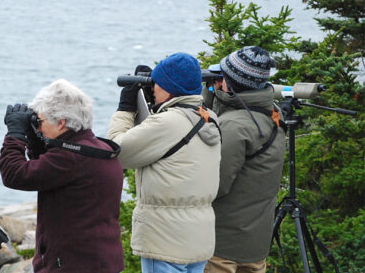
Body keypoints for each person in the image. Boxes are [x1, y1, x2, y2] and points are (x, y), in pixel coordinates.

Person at [108, 53, 221, 273]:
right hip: (198, 240)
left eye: (156, 85)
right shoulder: (209, 117)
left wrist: (125, 108)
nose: (154, 89)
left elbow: (116, 151)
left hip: (164, 241)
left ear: (168, 90)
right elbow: (162, 142)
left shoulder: (166, 123)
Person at [0, 79, 125, 273]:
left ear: (62, 123)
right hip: (101, 260)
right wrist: (34, 138)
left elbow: (14, 174)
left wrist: (15, 135)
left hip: (72, 265)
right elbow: (46, 170)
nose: (38, 127)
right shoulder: (96, 149)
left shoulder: (69, 158)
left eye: (40, 122)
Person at [203, 46, 285, 273]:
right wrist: (215, 94)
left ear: (229, 82)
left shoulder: (235, 127)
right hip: (254, 245)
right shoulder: (271, 117)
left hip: (222, 249)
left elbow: (215, 185)